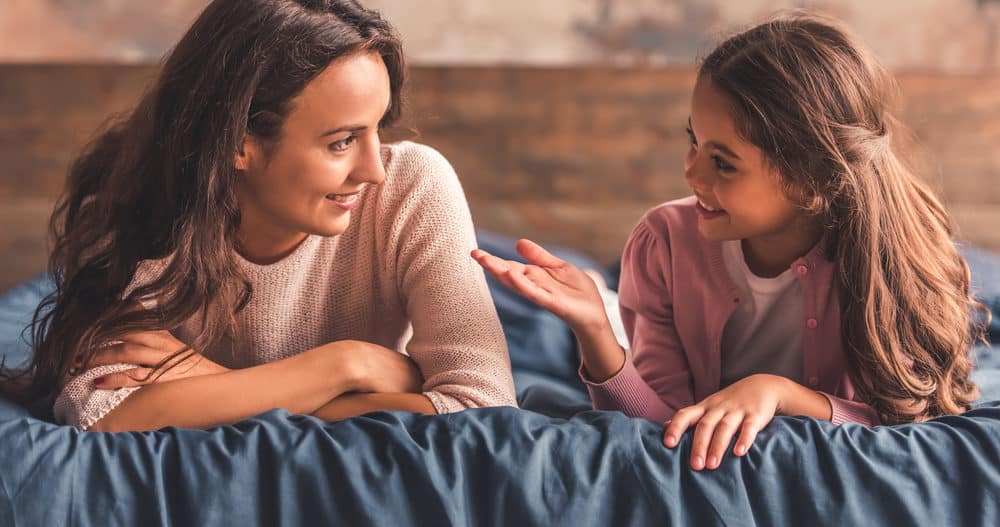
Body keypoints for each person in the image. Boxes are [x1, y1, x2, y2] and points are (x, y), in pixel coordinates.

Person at [473, 13, 985, 471]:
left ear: (810, 181)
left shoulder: (888, 260)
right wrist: (594, 333)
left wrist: (782, 395)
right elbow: (659, 425)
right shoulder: (662, 243)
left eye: (723, 162)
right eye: (693, 140)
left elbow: (908, 420)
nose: (690, 172)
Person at [2, 0, 516, 432]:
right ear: (238, 145)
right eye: (341, 142)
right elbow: (101, 411)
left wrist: (203, 376)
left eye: (377, 128)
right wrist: (346, 365)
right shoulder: (144, 205)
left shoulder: (412, 185)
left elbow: (485, 414)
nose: (372, 169)